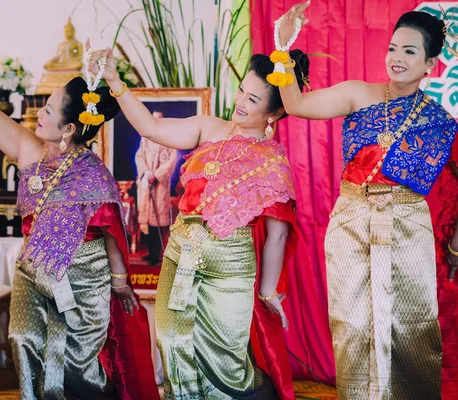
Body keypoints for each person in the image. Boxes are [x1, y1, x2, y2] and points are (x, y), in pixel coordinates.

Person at [275, 4, 458, 399]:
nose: (397, 58)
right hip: (351, 220)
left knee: (410, 328)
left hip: (408, 225)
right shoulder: (357, 94)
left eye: (410, 51)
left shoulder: (439, 121)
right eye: (393, 48)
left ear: (430, 63)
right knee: (352, 325)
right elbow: (296, 106)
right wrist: (282, 47)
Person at [87, 42, 308, 399]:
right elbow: (149, 128)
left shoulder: (274, 163)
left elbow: (279, 234)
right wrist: (115, 81)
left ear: (275, 113)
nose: (240, 101)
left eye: (253, 100)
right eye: (241, 91)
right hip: (181, 257)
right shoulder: (209, 127)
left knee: (225, 366)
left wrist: (268, 292)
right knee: (172, 340)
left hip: (231, 272)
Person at [2, 76, 159, 399]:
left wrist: (119, 282)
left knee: (72, 364)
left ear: (70, 128)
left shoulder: (93, 174)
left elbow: (112, 232)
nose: (38, 116)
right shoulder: (30, 150)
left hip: (83, 280)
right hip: (32, 272)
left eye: (47, 110)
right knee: (22, 339)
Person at [135, 110, 177, 266]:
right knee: (149, 222)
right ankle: (150, 252)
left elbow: (172, 161)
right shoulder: (145, 139)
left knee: (159, 220)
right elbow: (139, 156)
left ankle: (157, 254)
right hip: (147, 183)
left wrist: (157, 175)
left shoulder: (169, 140)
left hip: (160, 186)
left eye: (158, 119)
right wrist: (146, 172)